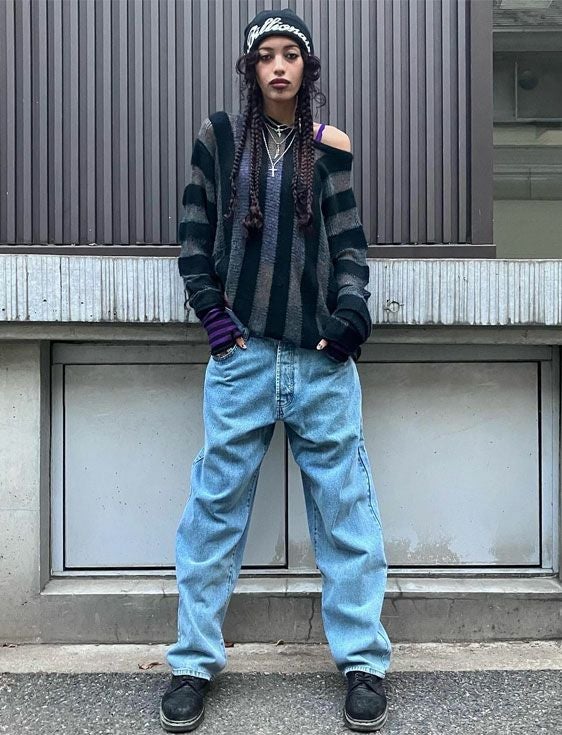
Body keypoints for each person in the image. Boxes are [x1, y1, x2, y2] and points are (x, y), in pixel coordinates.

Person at [160, 7, 392, 733]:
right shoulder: (219, 139)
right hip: (243, 357)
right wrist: (214, 319)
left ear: (307, 68)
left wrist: (350, 315)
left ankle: (363, 663)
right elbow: (193, 239)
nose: (279, 66)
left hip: (321, 362)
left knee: (347, 513)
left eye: (291, 54)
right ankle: (192, 662)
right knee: (213, 511)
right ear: (251, 68)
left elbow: (349, 244)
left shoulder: (329, 148)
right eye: (267, 55)